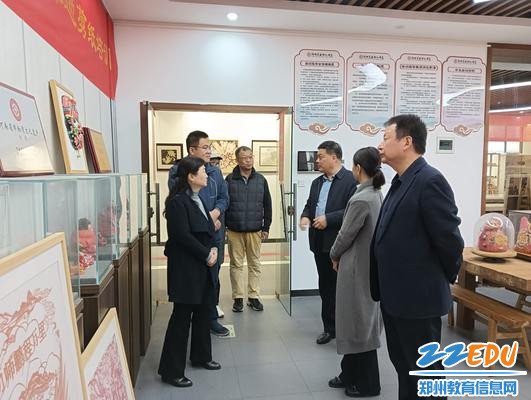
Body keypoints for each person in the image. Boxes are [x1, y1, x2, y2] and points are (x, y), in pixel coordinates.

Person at [370, 114, 464, 400]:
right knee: (405, 366)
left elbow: (450, 242)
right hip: (396, 297)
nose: (380, 145)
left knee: (425, 372)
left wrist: (439, 279)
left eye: (386, 138)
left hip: (418, 299)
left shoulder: (429, 181)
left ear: (406, 142)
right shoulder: (400, 181)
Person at [158, 157, 222, 388]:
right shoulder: (178, 202)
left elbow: (208, 228)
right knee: (182, 318)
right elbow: (182, 236)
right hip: (186, 268)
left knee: (204, 312)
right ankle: (171, 371)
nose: (207, 175)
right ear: (191, 177)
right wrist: (206, 254)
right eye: (203, 171)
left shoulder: (198, 198)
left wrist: (213, 249)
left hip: (202, 266)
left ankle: (201, 356)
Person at [328, 147, 384, 398]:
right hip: (364, 265)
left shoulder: (362, 198)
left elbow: (345, 234)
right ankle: (349, 372)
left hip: (357, 268)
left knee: (359, 323)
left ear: (358, 168)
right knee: (356, 320)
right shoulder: (375, 193)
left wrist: (333, 254)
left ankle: (369, 383)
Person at [168, 130, 230, 336]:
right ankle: (192, 322)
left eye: (209, 147)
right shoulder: (178, 171)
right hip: (193, 240)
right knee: (192, 282)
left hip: (213, 235)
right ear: (192, 149)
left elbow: (224, 197)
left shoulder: (215, 172)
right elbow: (183, 203)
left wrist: (215, 213)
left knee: (213, 278)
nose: (209, 151)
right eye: (205, 147)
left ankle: (210, 318)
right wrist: (207, 220)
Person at [299, 141, 357, 345]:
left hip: (339, 244)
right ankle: (329, 328)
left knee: (342, 289)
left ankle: (346, 329)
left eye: (321, 156)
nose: (317, 160)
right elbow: (310, 204)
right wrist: (305, 216)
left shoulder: (351, 180)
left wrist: (328, 219)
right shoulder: (317, 182)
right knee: (325, 287)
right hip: (319, 243)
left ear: (334, 157)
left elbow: (352, 210)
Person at [225, 146, 272, 312]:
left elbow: (267, 204)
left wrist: (266, 226)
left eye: (250, 157)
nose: (248, 160)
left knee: (254, 264)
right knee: (236, 265)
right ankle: (238, 298)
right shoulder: (229, 180)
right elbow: (224, 204)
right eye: (244, 158)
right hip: (234, 229)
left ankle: (253, 297)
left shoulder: (261, 179)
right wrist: (224, 227)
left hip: (255, 229)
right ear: (237, 160)